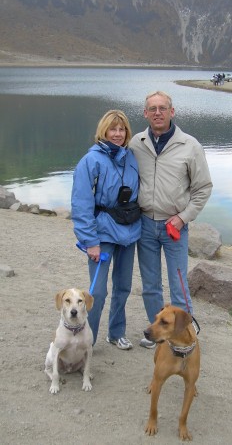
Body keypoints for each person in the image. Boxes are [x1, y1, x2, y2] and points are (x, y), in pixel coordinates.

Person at [129, 91, 213, 348]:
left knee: (178, 284)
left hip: (174, 226)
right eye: (152, 108)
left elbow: (203, 188)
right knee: (151, 284)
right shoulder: (136, 143)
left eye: (162, 108)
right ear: (145, 113)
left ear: (172, 112)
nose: (157, 113)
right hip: (144, 225)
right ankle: (159, 335)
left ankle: (185, 337)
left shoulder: (190, 145)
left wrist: (183, 217)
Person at [71, 110, 141, 350]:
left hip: (128, 231)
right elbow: (81, 203)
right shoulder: (91, 160)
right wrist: (90, 241)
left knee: (123, 287)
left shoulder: (131, 157)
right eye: (113, 129)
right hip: (102, 233)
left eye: (122, 130)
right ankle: (86, 339)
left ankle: (116, 332)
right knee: (97, 292)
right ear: (104, 131)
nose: (118, 134)